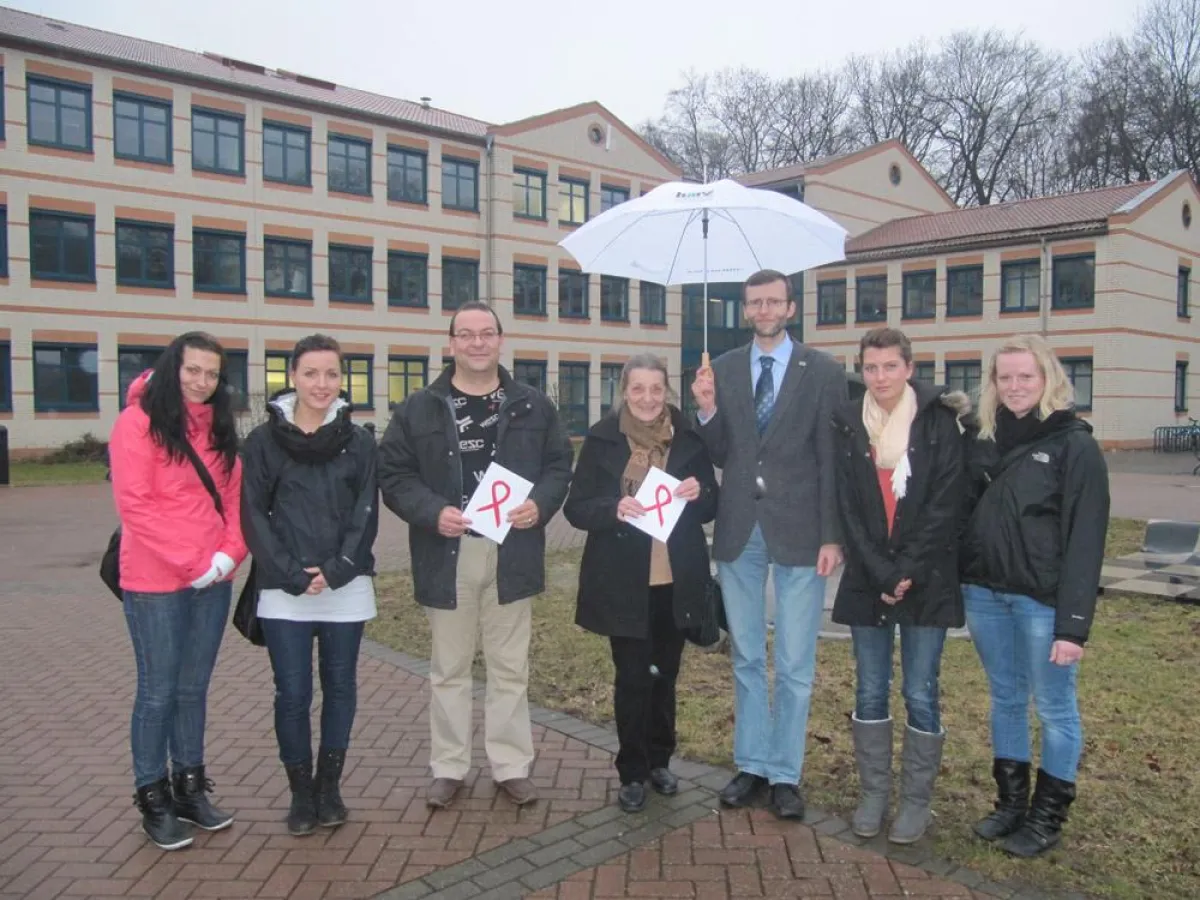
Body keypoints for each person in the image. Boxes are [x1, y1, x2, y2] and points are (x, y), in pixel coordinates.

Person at [378, 301, 573, 809]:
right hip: (448, 552)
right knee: (449, 668)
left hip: (514, 551)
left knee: (510, 668)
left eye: (487, 333)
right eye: (466, 335)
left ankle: (511, 766)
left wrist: (541, 504)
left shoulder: (532, 404)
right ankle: (450, 766)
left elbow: (558, 465)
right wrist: (431, 511)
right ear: (451, 344)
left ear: (501, 340)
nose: (477, 343)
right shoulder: (419, 407)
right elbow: (394, 476)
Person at [690, 269, 848, 819]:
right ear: (745, 310)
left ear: (791, 307)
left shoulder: (824, 371)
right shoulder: (725, 369)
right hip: (739, 531)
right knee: (748, 657)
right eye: (754, 302)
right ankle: (752, 765)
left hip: (803, 533)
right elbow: (718, 452)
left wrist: (833, 534)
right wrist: (706, 407)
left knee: (796, 661)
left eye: (773, 301)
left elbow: (833, 459)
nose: (763, 310)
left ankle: (786, 774)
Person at [960, 334, 1109, 858]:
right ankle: (1010, 805)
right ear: (993, 383)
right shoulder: (981, 438)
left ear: (1048, 379)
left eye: (1026, 376)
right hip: (984, 594)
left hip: (1041, 602)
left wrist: (1073, 625)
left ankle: (1046, 817)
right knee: (1005, 698)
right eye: (1006, 377)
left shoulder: (1075, 445)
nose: (1016, 386)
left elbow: (1087, 539)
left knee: (1053, 707)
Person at [108, 331, 246, 851]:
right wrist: (193, 564)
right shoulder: (137, 424)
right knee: (158, 691)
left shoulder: (220, 427)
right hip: (156, 582)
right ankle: (153, 796)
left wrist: (228, 556)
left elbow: (234, 499)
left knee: (193, 690)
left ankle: (189, 787)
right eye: (193, 370)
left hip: (212, 579)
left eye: (211, 374)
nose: (201, 381)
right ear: (173, 368)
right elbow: (136, 506)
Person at [564, 355, 718, 813]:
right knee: (632, 678)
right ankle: (631, 771)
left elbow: (711, 504)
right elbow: (577, 508)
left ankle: (659, 761)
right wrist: (614, 506)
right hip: (623, 581)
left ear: (667, 391)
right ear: (624, 392)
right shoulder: (602, 438)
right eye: (638, 389)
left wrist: (699, 492)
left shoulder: (688, 436)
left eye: (656, 389)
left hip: (676, 578)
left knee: (665, 676)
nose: (648, 398)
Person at [831, 328, 968, 844]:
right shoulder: (848, 424)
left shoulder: (940, 423)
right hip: (870, 580)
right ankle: (873, 793)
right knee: (869, 689)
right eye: (871, 368)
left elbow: (946, 506)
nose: (880, 377)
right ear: (861, 371)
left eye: (890, 366)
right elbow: (848, 508)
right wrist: (882, 573)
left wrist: (906, 571)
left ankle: (915, 802)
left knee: (920, 691)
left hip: (926, 579)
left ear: (909, 368)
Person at [240, 334, 379, 836]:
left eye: (332, 374)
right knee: (293, 693)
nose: (322, 384)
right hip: (284, 588)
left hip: (346, 582)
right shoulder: (261, 442)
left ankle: (330, 787)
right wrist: (293, 574)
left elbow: (366, 512)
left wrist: (337, 568)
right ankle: (301, 791)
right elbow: (252, 515)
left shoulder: (360, 440)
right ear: (292, 376)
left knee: (340, 688)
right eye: (312, 373)